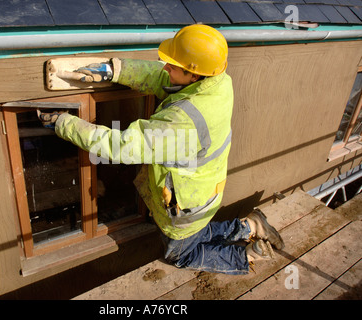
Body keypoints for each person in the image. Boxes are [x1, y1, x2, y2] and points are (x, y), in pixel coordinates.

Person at [39, 24, 284, 275]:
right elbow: (163, 77)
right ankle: (249, 227)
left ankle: (245, 255)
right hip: (203, 187)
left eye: (173, 65)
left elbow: (122, 147)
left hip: (188, 203)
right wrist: (116, 71)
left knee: (179, 253)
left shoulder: (184, 122)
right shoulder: (218, 81)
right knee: (195, 235)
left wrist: (64, 123)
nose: (164, 66)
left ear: (194, 75)